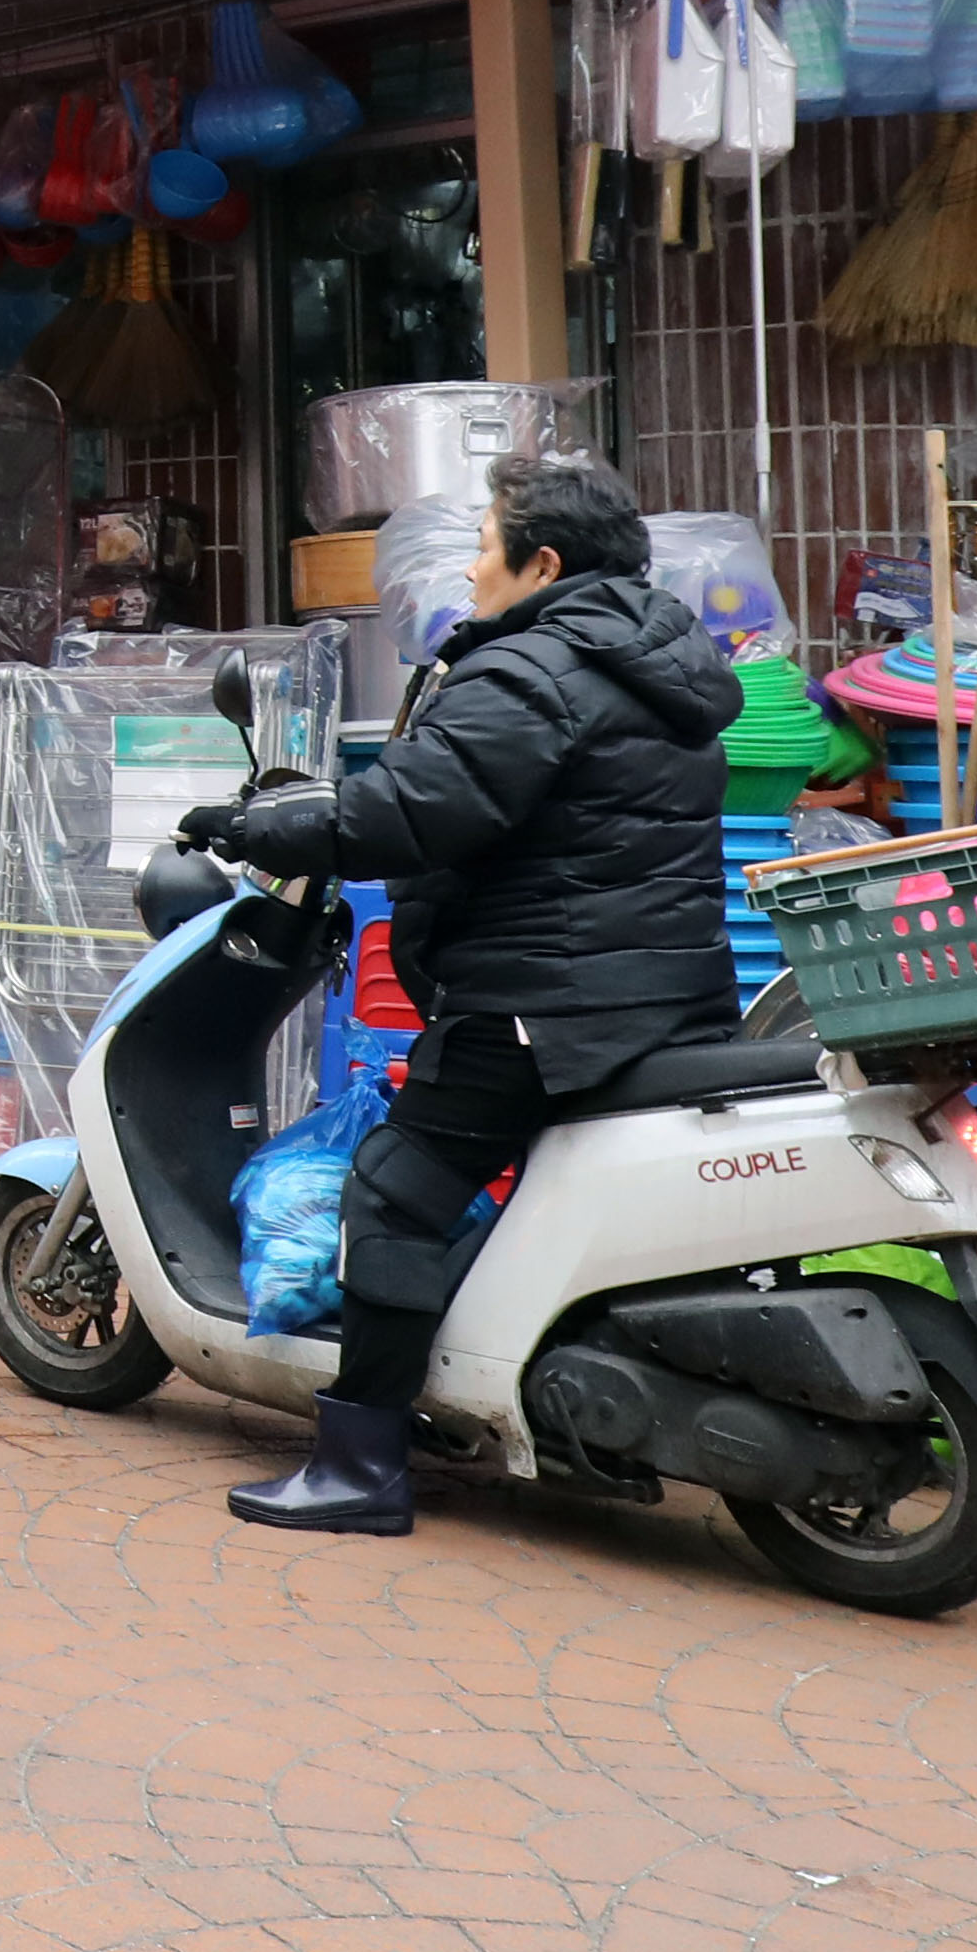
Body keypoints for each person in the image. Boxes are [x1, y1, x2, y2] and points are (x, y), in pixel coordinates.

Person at [181, 448, 735, 1536]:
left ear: (542, 561)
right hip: (662, 990)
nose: (469, 572)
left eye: (481, 548)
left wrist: (264, 825)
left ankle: (361, 1465)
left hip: (542, 1001)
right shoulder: (658, 662)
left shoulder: (535, 668)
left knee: (392, 1191)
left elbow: (409, 814)